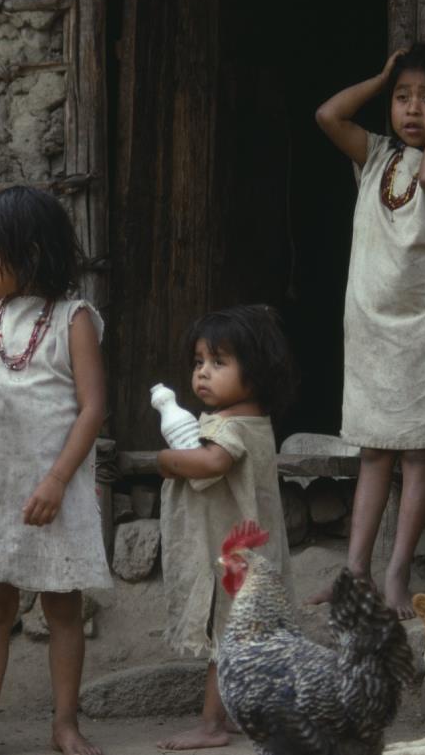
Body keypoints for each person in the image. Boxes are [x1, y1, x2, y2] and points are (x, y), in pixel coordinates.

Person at [313, 43, 425, 618]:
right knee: (374, 454)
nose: (412, 109)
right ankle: (355, 571)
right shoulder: (376, 158)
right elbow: (327, 116)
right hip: (372, 331)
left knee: (418, 455)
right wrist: (380, 73)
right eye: (402, 97)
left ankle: (396, 577)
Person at [0, 186, 111, 755]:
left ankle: (65, 725)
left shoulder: (73, 320)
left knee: (63, 609)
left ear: (30, 253)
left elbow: (93, 409)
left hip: (53, 489)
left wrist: (58, 481)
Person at [155, 305, 296, 750]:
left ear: (254, 374)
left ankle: (211, 724)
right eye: (199, 362)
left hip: (238, 557)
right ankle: (245, 714)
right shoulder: (249, 420)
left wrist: (166, 461)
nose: (202, 373)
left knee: (225, 639)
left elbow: (213, 461)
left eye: (218, 362)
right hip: (247, 552)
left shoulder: (232, 427)